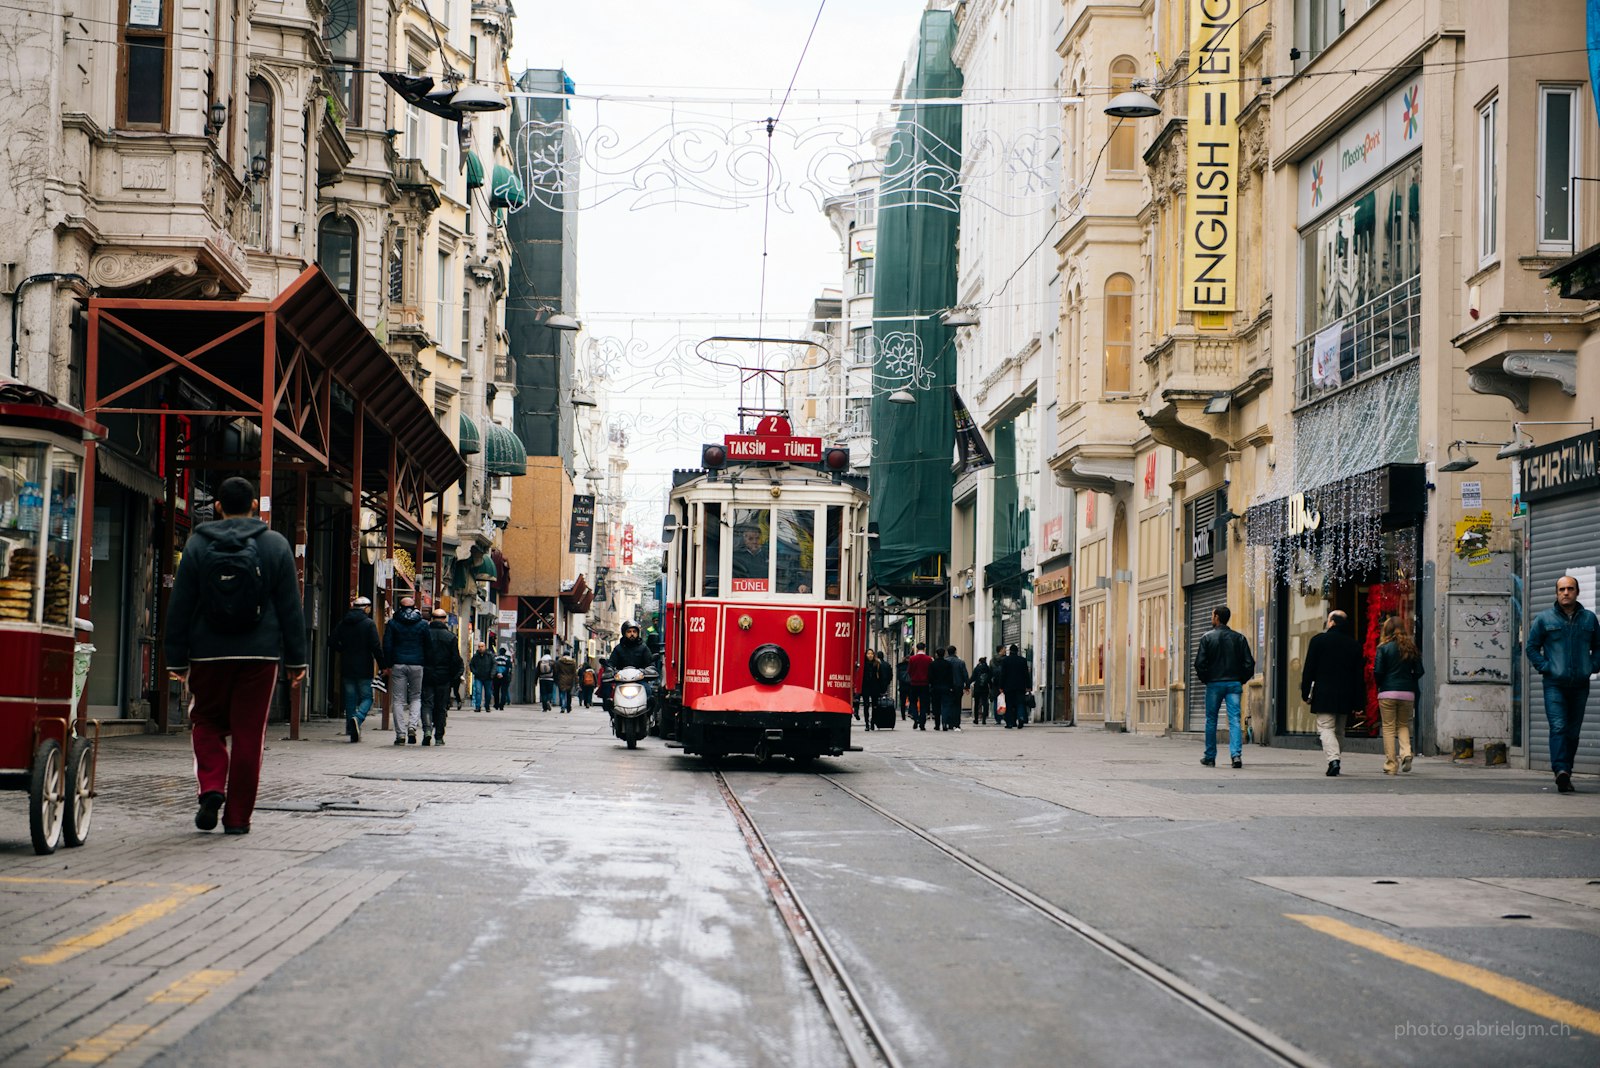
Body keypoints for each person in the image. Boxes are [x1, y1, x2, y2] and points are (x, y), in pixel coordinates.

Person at [165, 476, 307, 835]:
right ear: (255, 507)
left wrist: (176, 660)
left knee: (205, 722)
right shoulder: (275, 545)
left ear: (217, 506)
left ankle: (212, 787)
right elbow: (291, 607)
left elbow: (180, 605)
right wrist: (296, 660)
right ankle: (238, 818)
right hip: (259, 656)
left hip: (207, 653)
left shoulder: (197, 543)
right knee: (248, 734)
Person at [1527, 575, 1600, 793]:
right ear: (1556, 593)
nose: (1565, 593)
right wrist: (1546, 667)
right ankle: (1560, 770)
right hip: (1554, 684)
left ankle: (1566, 771)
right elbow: (1531, 647)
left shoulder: (1588, 619)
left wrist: (1593, 665)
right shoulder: (1544, 619)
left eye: (1570, 589)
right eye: (1561, 589)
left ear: (1577, 592)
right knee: (1558, 727)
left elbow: (1598, 646)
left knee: (1573, 732)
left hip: (1580, 684)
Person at [1301, 609, 1364, 776]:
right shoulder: (1354, 645)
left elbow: (1309, 669)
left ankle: (1333, 760)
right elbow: (1359, 676)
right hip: (1345, 694)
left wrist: (1305, 692)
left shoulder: (1318, 641)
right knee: (1339, 731)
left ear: (1332, 622)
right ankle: (1335, 759)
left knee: (1325, 727)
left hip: (1324, 693)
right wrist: (1359, 702)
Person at [1194, 605, 1255, 769]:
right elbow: (1249, 663)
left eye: (1212, 615)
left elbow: (1199, 664)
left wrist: (1207, 679)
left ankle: (1210, 756)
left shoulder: (1207, 638)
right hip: (1233, 683)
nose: (1211, 618)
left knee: (1211, 720)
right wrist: (1240, 679)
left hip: (1214, 684)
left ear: (1216, 617)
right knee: (1235, 719)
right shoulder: (1239, 638)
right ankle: (1236, 756)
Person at [1373, 616, 1424, 776]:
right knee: (1403, 725)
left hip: (1388, 691)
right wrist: (1409, 680)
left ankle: (1391, 764)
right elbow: (1420, 671)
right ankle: (1406, 752)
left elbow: (1378, 672)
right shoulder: (1411, 647)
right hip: (1407, 692)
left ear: (1386, 630)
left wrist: (1381, 684)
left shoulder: (1383, 648)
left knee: (1388, 727)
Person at [330, 595, 383, 743]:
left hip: (347, 664)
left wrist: (343, 650)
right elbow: (376, 647)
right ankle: (358, 719)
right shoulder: (369, 624)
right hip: (364, 666)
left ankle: (350, 728)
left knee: (350, 698)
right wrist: (383, 665)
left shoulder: (343, 623)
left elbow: (332, 641)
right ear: (366, 608)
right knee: (367, 697)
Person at [382, 594, 430, 745]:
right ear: (414, 607)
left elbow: (387, 645)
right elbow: (428, 645)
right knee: (416, 696)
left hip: (398, 663)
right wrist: (425, 663)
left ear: (400, 607)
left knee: (398, 700)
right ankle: (412, 727)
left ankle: (400, 734)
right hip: (417, 664)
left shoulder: (393, 623)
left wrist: (387, 664)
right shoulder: (423, 624)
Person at [420, 608, 461, 745]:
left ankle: (426, 730)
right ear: (445, 619)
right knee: (441, 706)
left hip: (426, 674)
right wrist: (454, 676)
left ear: (431, 619)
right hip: (444, 677)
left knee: (426, 703)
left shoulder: (424, 635)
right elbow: (455, 659)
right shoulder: (451, 637)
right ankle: (439, 736)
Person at [997, 645, 1033, 729]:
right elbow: (1026, 674)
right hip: (1020, 687)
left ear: (1010, 651)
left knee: (1009, 705)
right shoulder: (1022, 660)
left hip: (1008, 687)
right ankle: (1020, 717)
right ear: (1017, 651)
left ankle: (1009, 723)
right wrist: (1028, 685)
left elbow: (1003, 674)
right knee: (1020, 703)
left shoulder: (1005, 660)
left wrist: (1001, 686)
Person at [859, 649, 891, 730]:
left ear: (874, 655)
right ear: (865, 655)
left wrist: (882, 688)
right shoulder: (863, 664)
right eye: (868, 654)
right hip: (865, 686)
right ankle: (866, 723)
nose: (870, 655)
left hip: (875, 687)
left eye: (871, 654)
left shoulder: (877, 664)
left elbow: (881, 677)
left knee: (875, 706)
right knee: (866, 705)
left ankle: (873, 722)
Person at [905, 642, 933, 729]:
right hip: (925, 684)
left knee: (913, 702)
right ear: (924, 649)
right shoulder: (929, 659)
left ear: (917, 649)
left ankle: (916, 718)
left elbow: (909, 671)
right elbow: (931, 672)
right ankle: (922, 723)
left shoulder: (912, 659)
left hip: (914, 683)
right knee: (924, 703)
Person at [943, 645, 969, 731]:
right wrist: (967, 686)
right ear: (955, 652)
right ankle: (956, 724)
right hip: (958, 686)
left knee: (948, 704)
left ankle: (949, 723)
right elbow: (965, 675)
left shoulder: (945, 661)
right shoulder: (961, 662)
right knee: (957, 705)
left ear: (947, 652)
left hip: (947, 686)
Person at [469, 640, 496, 713]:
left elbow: (494, 664)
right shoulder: (476, 656)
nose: (480, 648)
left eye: (482, 646)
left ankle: (487, 706)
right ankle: (477, 707)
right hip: (478, 677)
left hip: (488, 677)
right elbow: (471, 664)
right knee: (478, 692)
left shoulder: (489, 655)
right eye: (479, 647)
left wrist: (492, 674)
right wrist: (474, 672)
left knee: (488, 693)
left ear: (485, 647)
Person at [927, 647, 951, 731]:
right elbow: (950, 677)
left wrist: (931, 685)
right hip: (946, 687)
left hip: (935, 688)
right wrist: (950, 686)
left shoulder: (932, 664)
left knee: (936, 706)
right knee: (945, 706)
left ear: (936, 654)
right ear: (944, 654)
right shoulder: (948, 664)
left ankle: (937, 724)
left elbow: (929, 677)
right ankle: (945, 723)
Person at [970, 656, 993, 725]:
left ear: (979, 662)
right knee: (985, 703)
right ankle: (984, 719)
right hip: (985, 688)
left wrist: (967, 684)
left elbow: (973, 678)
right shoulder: (988, 669)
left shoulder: (977, 668)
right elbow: (990, 678)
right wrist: (991, 686)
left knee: (977, 704)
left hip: (977, 688)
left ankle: (976, 719)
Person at [492, 641, 514, 709]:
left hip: (496, 677)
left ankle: (496, 704)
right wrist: (503, 674)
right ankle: (502, 704)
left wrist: (497, 673)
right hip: (505, 677)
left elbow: (493, 667)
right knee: (504, 691)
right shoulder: (507, 659)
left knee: (496, 691)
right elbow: (509, 668)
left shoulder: (495, 658)